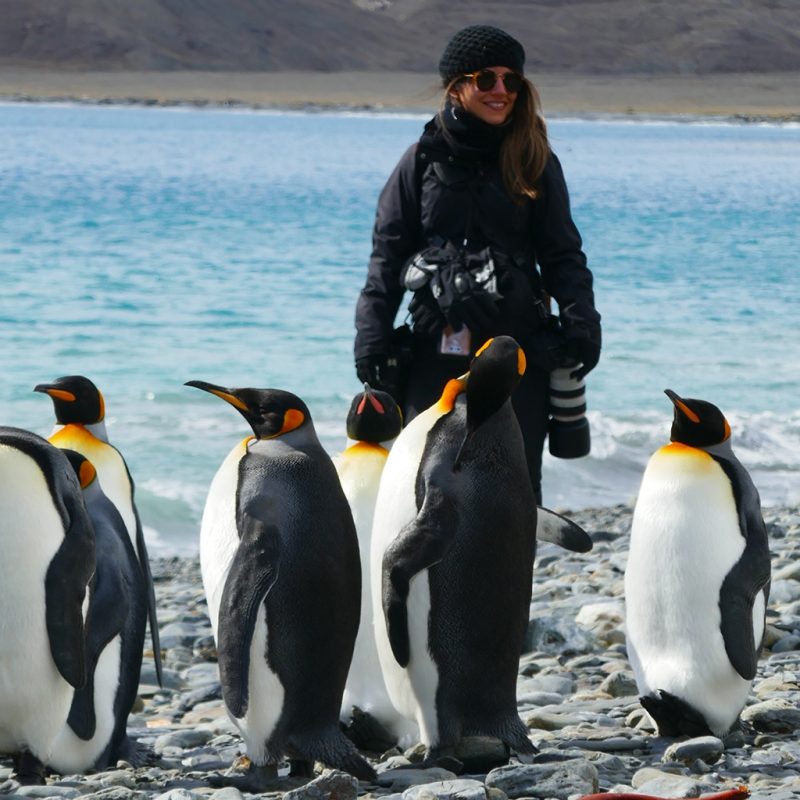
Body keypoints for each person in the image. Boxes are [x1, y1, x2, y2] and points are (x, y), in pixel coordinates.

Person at [353, 24, 601, 502]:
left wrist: (581, 326)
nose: (502, 91)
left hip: (516, 351)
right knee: (423, 491)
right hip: (433, 348)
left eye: (513, 81)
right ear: (457, 86)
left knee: (512, 491)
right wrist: (372, 339)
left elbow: (563, 254)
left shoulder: (535, 159)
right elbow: (386, 257)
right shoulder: (420, 160)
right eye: (487, 79)